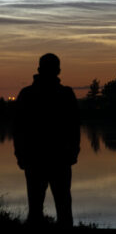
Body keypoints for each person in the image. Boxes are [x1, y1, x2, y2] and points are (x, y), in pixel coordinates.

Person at [13, 53, 80, 228]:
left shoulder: (27, 94)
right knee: (62, 208)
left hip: (38, 159)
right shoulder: (65, 94)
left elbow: (18, 129)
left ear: (39, 69)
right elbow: (74, 127)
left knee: (38, 210)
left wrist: (20, 155)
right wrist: (73, 151)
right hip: (55, 159)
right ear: (58, 70)